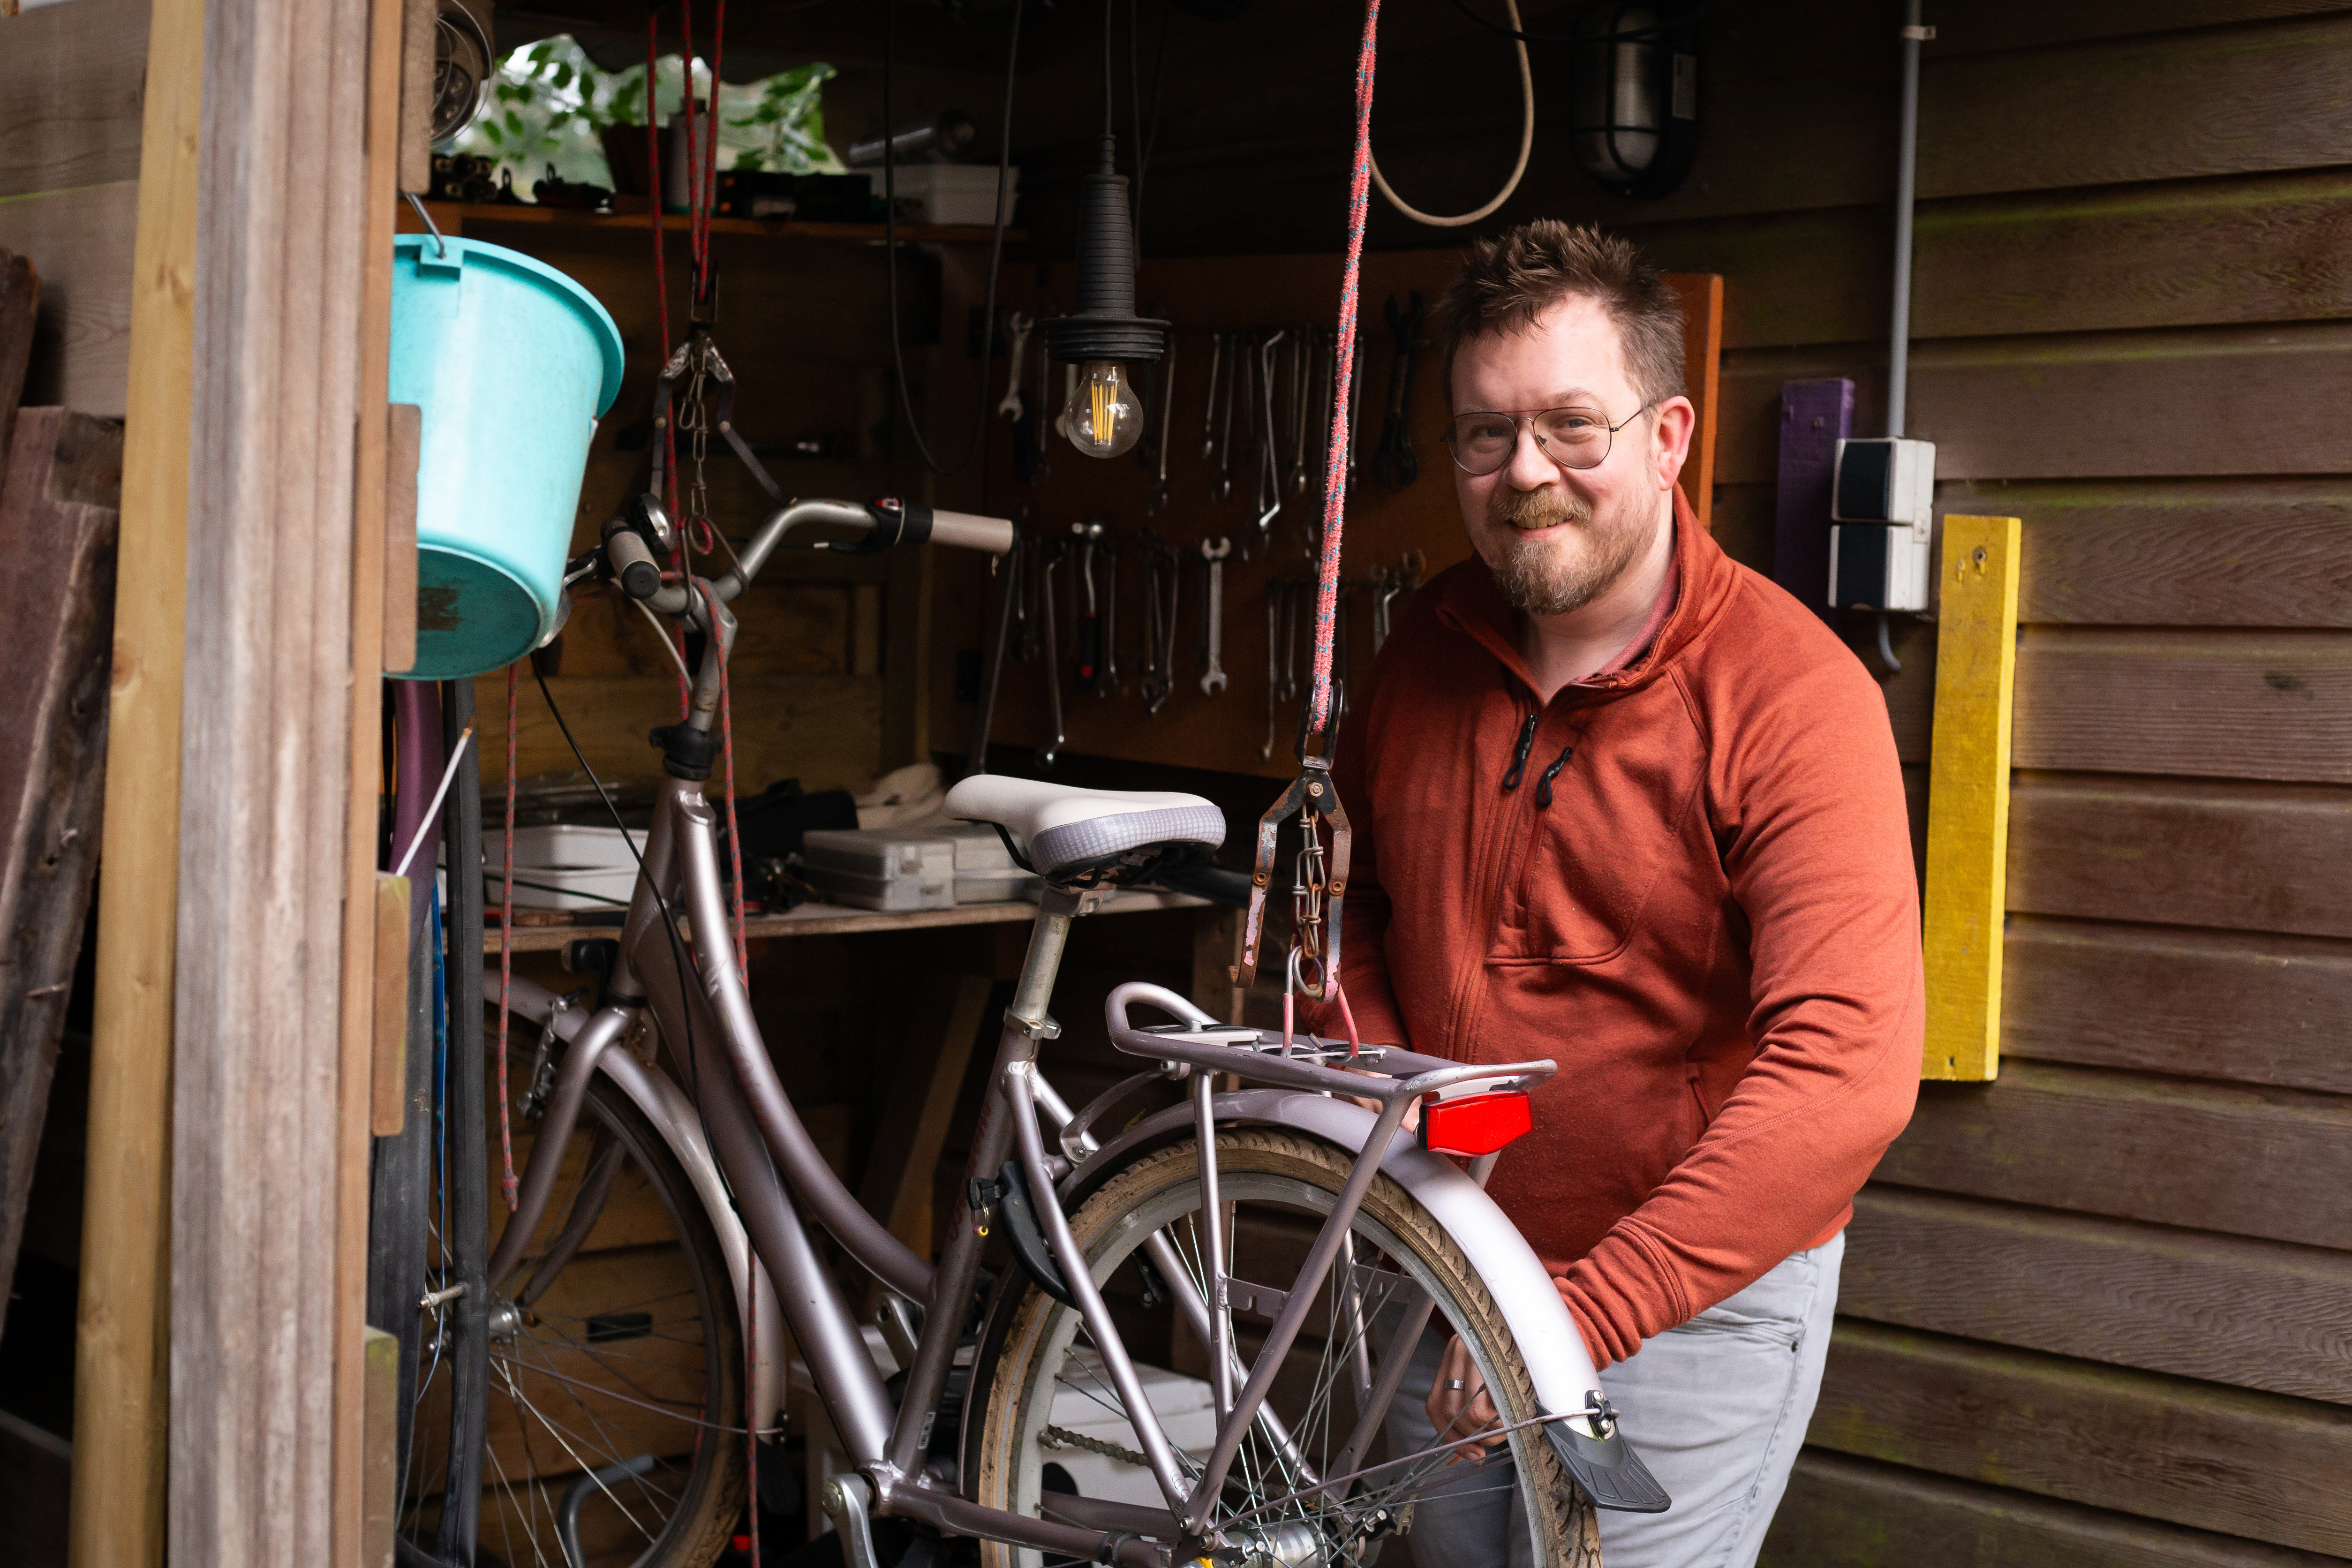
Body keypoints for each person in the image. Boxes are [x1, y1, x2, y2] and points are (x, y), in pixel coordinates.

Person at [1307, 220, 1923, 1568]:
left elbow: (1851, 1073)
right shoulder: (1419, 653)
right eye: (1485, 434)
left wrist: (1588, 1313)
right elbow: (1338, 907)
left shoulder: (1793, 697)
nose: (1526, 473)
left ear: (1668, 435)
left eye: (1572, 427)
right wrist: (1372, 1094)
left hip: (1681, 1309)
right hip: (1439, 1273)